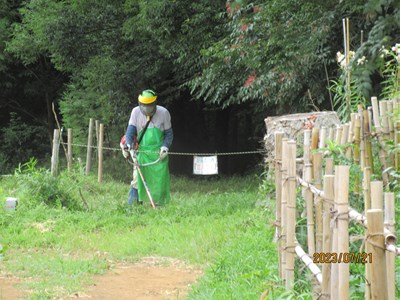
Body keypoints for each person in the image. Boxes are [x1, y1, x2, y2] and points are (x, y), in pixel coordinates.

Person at [121, 89, 173, 206]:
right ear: (140, 103)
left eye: (149, 106)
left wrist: (165, 147)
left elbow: (169, 134)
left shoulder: (164, 113)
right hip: (142, 153)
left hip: (158, 153)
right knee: (136, 179)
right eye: (144, 105)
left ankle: (159, 205)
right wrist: (128, 146)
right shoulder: (135, 112)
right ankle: (133, 205)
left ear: (154, 103)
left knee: (159, 180)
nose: (146, 109)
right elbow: (130, 132)